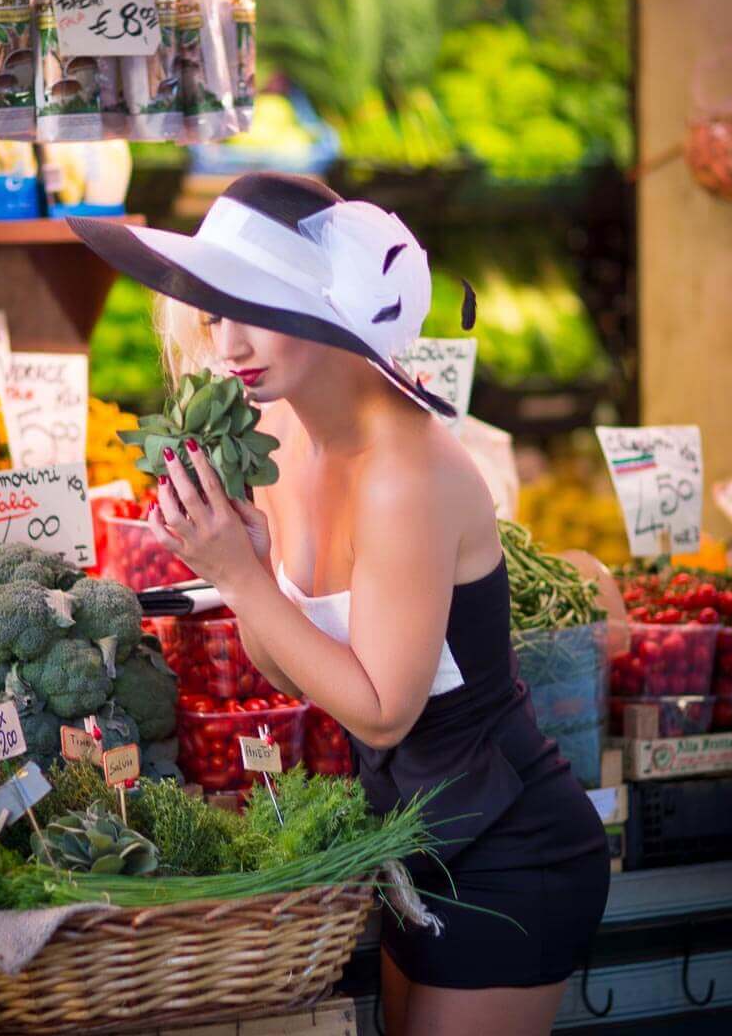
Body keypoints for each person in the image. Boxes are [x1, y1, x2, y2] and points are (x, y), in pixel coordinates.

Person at [72, 172, 610, 1036]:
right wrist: (244, 563)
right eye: (215, 313)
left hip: (511, 849)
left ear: (326, 312)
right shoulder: (283, 436)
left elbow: (383, 712)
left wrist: (243, 579)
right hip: (410, 840)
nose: (230, 341)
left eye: (256, 308)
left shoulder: (406, 474)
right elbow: (290, 666)